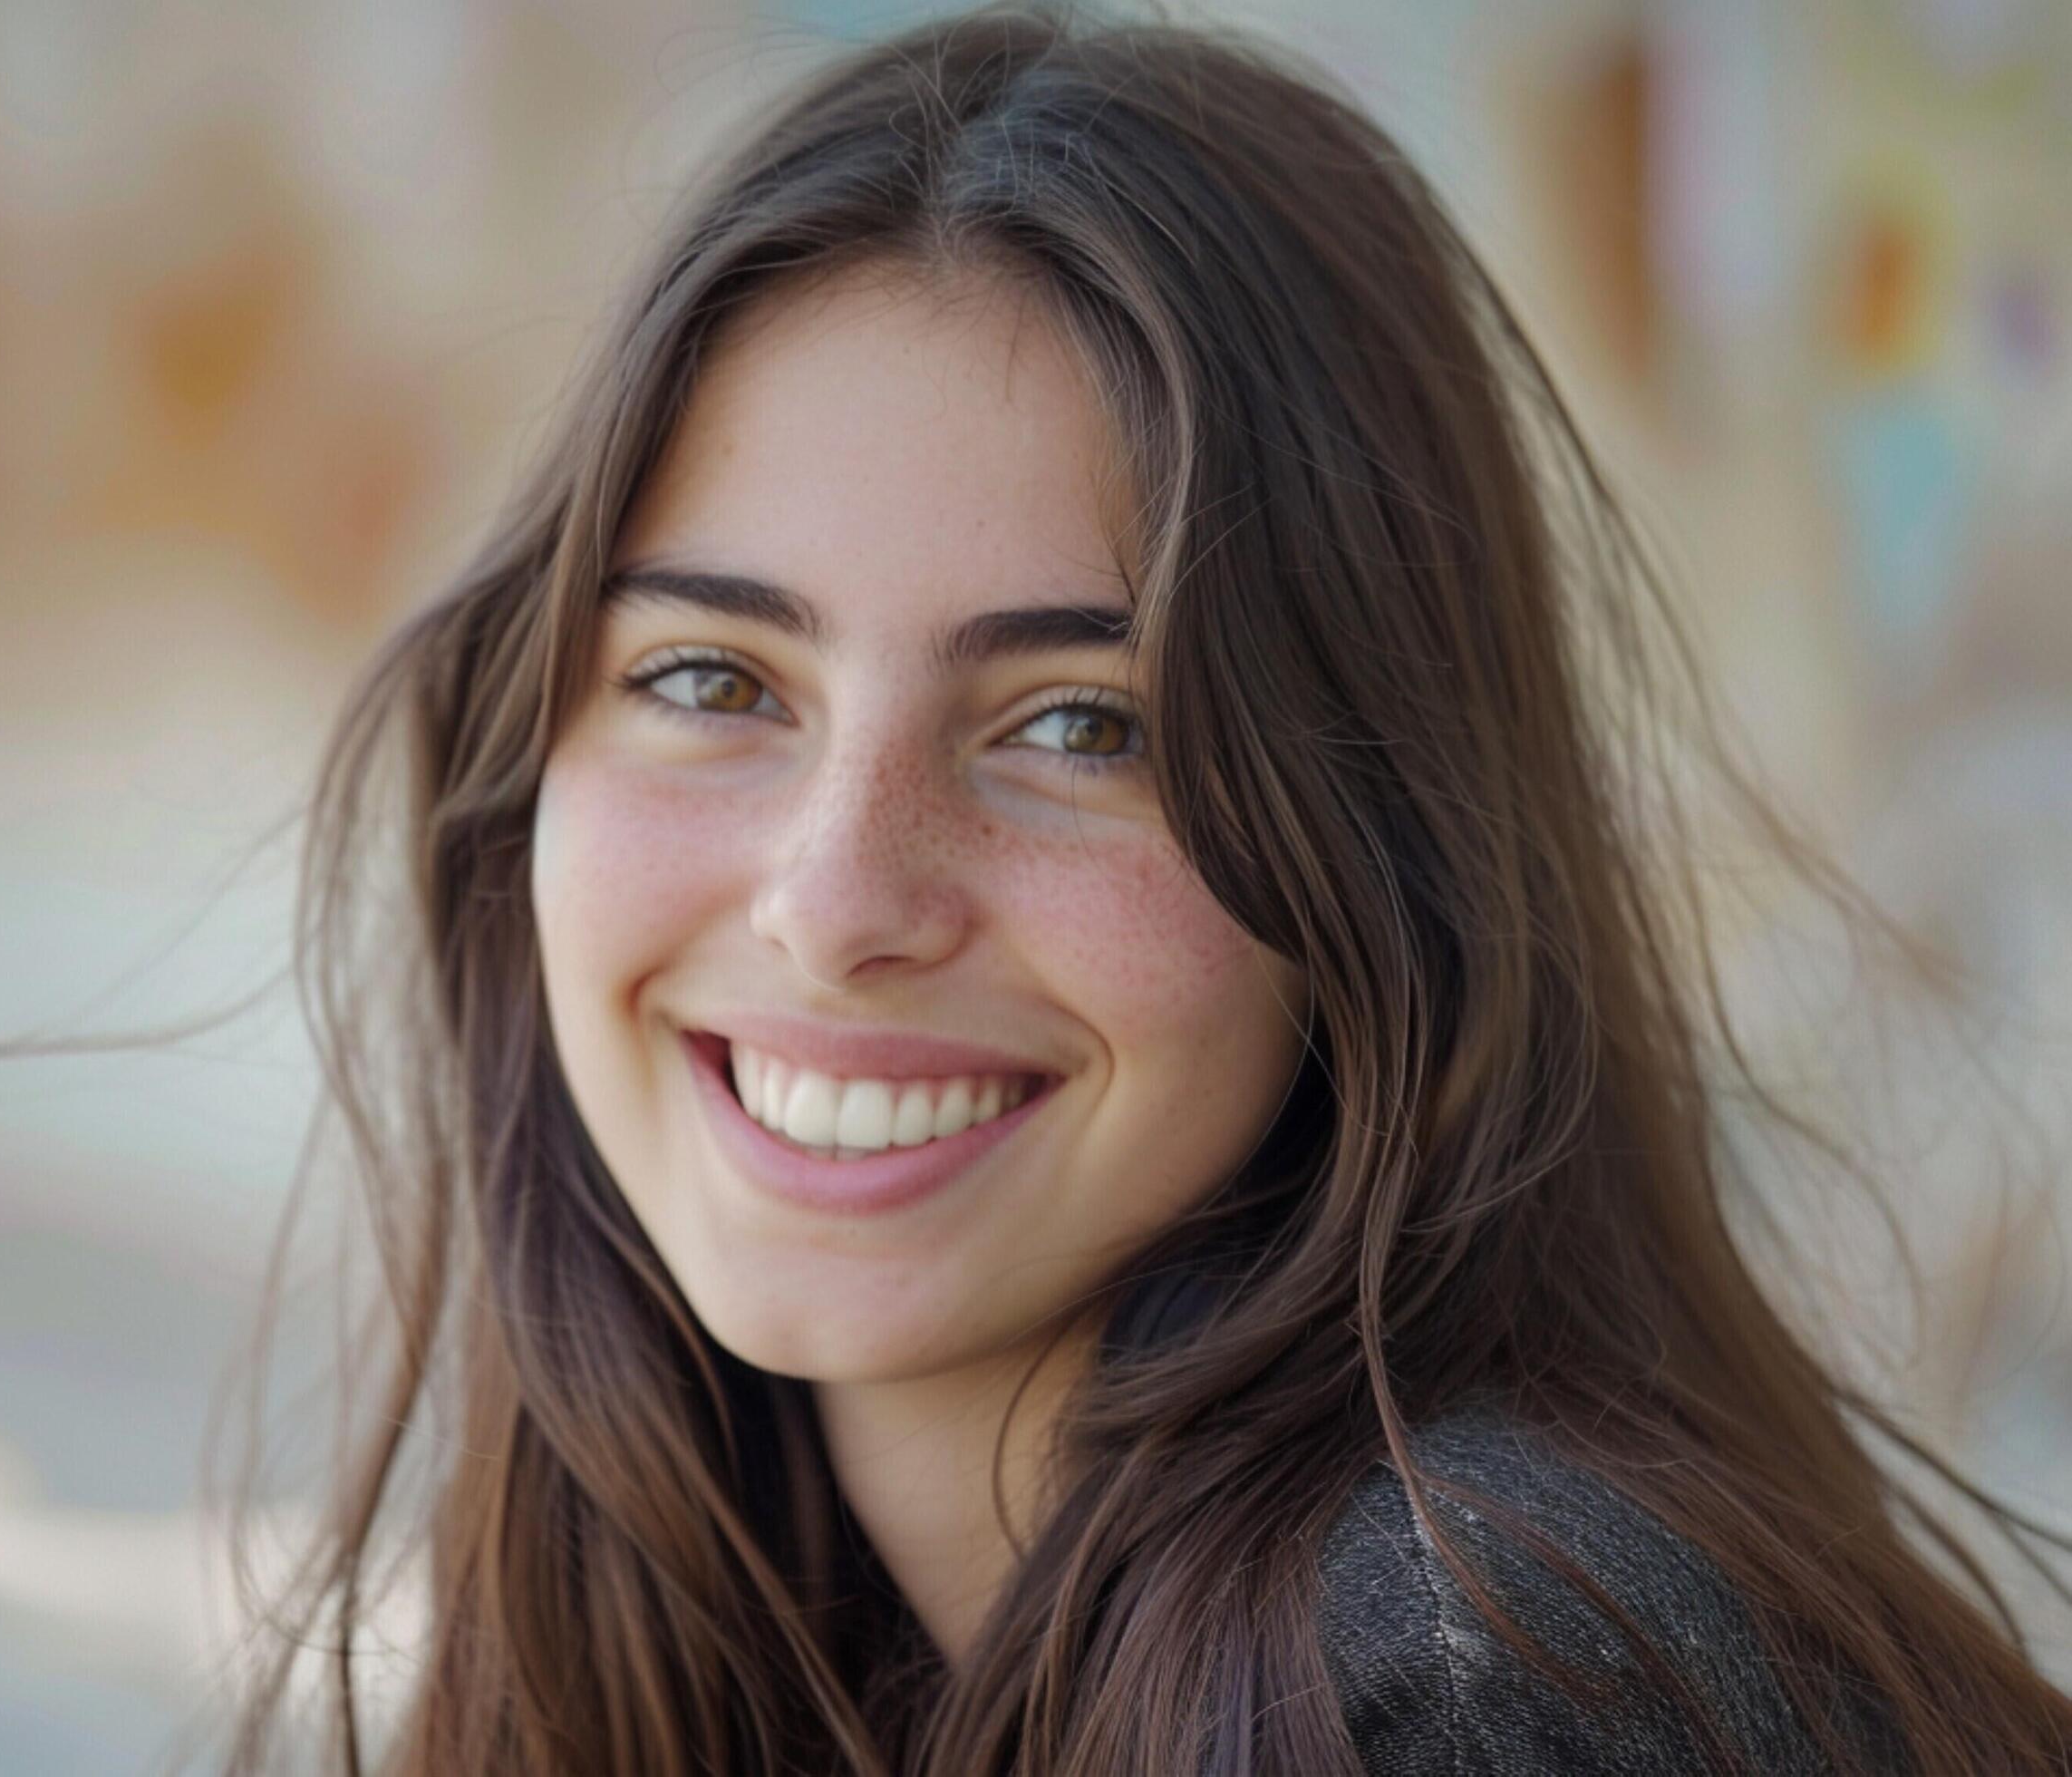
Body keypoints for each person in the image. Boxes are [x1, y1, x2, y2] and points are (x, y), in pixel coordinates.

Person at [212, 8, 2072, 1771]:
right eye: (712, 679)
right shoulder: (749, 1612)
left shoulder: (1488, 1688)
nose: (836, 897)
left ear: (1377, 855)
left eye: (1081, 725)